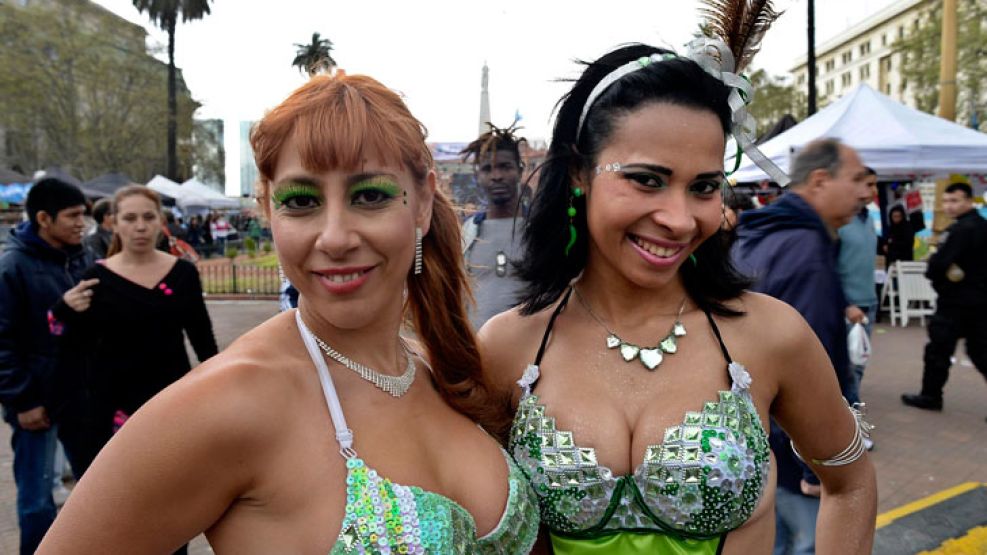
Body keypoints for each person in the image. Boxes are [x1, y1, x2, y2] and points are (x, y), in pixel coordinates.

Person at [39, 74, 539, 554]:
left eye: (370, 196)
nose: (336, 237)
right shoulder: (228, 403)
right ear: (268, 210)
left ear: (424, 203)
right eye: (301, 201)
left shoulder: (437, 366)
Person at [480, 41, 877, 554]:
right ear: (580, 173)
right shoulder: (509, 345)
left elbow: (850, 481)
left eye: (704, 187)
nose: (680, 219)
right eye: (647, 180)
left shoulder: (770, 334)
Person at [733, 139, 874, 554]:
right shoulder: (805, 250)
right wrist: (816, 462)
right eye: (855, 180)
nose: (864, 193)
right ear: (819, 180)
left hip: (754, 436)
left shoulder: (759, 234)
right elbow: (816, 369)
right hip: (793, 447)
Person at [50, 186, 219, 473]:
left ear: (160, 222)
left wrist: (218, 388)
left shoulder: (183, 274)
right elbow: (74, 346)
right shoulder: (96, 278)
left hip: (171, 401)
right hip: (111, 409)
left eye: (148, 217)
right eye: (129, 218)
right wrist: (63, 310)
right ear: (113, 223)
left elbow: (202, 338)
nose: (140, 226)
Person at [0, 177, 93, 554]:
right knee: (37, 500)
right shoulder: (13, 267)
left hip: (82, 397)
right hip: (35, 400)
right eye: (72, 216)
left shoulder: (82, 258)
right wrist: (22, 401)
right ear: (43, 218)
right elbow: (2, 343)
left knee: (93, 490)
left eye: (83, 215)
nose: (80, 223)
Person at [902, 182, 987, 414]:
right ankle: (930, 395)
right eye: (946, 201)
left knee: (938, 350)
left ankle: (930, 396)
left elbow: (938, 265)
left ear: (969, 201)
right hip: (979, 301)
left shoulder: (961, 230)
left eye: (955, 201)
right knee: (980, 351)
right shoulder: (982, 226)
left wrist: (936, 274)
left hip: (956, 301)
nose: (949, 206)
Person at [460, 121, 529, 329]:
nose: (496, 176)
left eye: (505, 167)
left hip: (531, 354)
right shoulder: (468, 232)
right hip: (476, 352)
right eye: (487, 169)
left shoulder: (541, 229)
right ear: (477, 176)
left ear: (520, 170)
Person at [837, 166, 879, 407]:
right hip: (848, 306)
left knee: (859, 363)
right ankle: (851, 422)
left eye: (875, 184)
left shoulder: (868, 219)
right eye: (868, 184)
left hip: (868, 302)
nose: (873, 190)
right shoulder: (840, 220)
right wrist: (846, 304)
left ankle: (849, 415)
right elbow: (828, 269)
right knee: (847, 368)